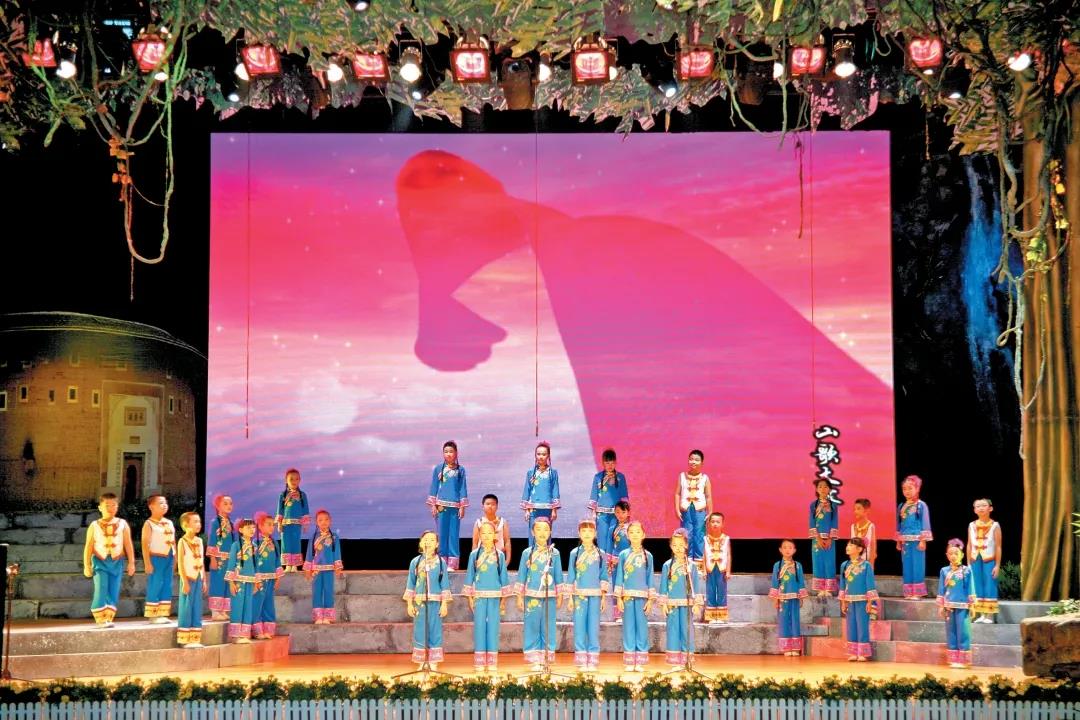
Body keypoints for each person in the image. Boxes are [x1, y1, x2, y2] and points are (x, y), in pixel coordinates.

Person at [515, 517, 565, 670]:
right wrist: (519, 596)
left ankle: (546, 658)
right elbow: (522, 575)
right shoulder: (527, 553)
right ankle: (534, 659)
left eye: (545, 529)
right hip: (531, 596)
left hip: (550, 596)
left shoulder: (554, 553)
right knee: (532, 626)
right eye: (538, 529)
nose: (542, 533)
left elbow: (558, 575)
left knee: (548, 626)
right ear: (533, 532)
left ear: (550, 532)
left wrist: (560, 595)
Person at [462, 520, 510, 672]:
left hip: (495, 597)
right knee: (480, 627)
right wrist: (470, 598)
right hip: (479, 597)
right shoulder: (474, 555)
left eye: (490, 533)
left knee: (493, 627)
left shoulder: (499, 555)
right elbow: (469, 576)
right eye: (483, 533)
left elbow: (503, 578)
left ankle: (492, 661)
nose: (487, 535)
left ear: (495, 535)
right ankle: (480, 661)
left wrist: (503, 601)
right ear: (479, 535)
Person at [82, 492, 136, 627]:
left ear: (117, 507)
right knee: (101, 588)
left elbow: (128, 544)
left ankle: (108, 618)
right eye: (107, 505)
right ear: (100, 507)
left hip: (117, 561)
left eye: (114, 505)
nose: (111, 508)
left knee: (113, 589)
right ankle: (100, 619)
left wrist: (131, 563)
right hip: (99, 561)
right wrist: (87, 565)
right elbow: (89, 546)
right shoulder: (94, 525)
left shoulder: (122, 524)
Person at [565, 517, 609, 671]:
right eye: (584, 531)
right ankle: (581, 659)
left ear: (595, 533)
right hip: (579, 595)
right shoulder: (574, 553)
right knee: (579, 627)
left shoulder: (601, 554)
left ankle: (593, 659)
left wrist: (603, 597)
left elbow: (604, 576)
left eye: (590, 531)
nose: (587, 534)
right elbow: (571, 576)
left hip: (596, 596)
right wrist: (570, 598)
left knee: (593, 627)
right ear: (579, 533)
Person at [404, 530, 451, 669]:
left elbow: (445, 584)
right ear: (421, 543)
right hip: (419, 603)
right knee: (420, 630)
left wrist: (444, 604)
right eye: (425, 540)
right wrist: (409, 604)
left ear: (437, 544)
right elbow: (411, 583)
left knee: (435, 630)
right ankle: (421, 661)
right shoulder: (415, 562)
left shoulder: (441, 562)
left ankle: (433, 661)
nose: (428, 542)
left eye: (431, 540)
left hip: (435, 602)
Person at [659, 528, 704, 667]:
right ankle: (674, 660)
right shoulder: (667, 565)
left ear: (686, 545)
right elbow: (663, 586)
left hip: (687, 604)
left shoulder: (691, 566)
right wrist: (663, 604)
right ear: (670, 546)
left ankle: (687, 659)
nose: (678, 548)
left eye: (681, 545)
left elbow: (695, 585)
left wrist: (697, 604)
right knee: (673, 631)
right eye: (674, 545)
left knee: (686, 630)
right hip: (672, 604)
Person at [614, 520, 655, 672]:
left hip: (642, 598)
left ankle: (641, 661)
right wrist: (618, 598)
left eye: (638, 532)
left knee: (641, 628)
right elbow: (619, 576)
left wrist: (650, 600)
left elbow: (650, 577)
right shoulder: (623, 555)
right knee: (628, 628)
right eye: (632, 532)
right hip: (627, 598)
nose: (635, 535)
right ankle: (630, 660)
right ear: (627, 535)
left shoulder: (648, 556)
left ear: (643, 535)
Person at [427, 441, 469, 570]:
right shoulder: (438, 469)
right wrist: (433, 505)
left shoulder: (460, 470)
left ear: (456, 453)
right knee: (442, 534)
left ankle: (453, 563)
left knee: (453, 535)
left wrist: (462, 507)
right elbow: (434, 487)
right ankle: (442, 562)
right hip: (440, 506)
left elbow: (462, 488)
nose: (448, 454)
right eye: (446, 452)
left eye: (451, 451)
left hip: (455, 507)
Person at [937, 539, 976, 668]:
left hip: (963, 606)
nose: (953, 556)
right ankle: (953, 659)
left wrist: (972, 606)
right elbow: (941, 589)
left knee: (963, 631)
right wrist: (941, 606)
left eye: (956, 553)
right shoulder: (944, 571)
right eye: (951, 553)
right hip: (949, 606)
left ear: (962, 555)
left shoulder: (967, 571)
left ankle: (963, 660)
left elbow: (970, 588)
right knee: (951, 632)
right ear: (947, 555)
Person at [839, 537, 879, 662]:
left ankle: (863, 653)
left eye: (851, 545)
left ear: (859, 549)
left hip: (863, 600)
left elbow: (870, 584)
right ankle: (853, 652)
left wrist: (870, 602)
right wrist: (843, 602)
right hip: (849, 600)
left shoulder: (866, 565)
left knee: (862, 626)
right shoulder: (844, 565)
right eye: (848, 545)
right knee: (851, 626)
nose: (848, 547)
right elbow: (842, 584)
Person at [896, 475, 933, 599]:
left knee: (917, 565)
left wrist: (923, 540)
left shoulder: (921, 505)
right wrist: (898, 540)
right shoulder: (901, 506)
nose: (907, 491)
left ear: (917, 489)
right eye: (904, 489)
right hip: (905, 541)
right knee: (907, 565)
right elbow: (899, 524)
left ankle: (917, 592)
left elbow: (925, 523)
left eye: (910, 488)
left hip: (917, 540)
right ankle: (908, 591)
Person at [769, 539, 808, 656]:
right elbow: (775, 582)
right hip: (782, 598)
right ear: (780, 550)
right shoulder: (777, 565)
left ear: (794, 550)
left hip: (795, 597)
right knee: (784, 621)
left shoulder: (798, 565)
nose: (787, 550)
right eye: (785, 547)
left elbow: (801, 581)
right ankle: (786, 648)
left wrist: (801, 597)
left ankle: (795, 647)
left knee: (795, 620)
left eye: (790, 547)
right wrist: (775, 599)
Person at [304, 509, 344, 623]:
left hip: (329, 569)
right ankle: (318, 617)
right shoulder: (313, 537)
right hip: (316, 570)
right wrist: (307, 569)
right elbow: (309, 553)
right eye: (320, 520)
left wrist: (338, 567)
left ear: (330, 521)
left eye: (326, 519)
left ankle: (327, 617)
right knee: (317, 592)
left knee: (328, 591)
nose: (324, 522)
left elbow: (337, 552)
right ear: (316, 522)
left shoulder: (334, 537)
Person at [589, 448, 628, 561]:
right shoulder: (598, 477)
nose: (610, 465)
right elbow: (594, 495)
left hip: (616, 515)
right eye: (607, 463)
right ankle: (602, 564)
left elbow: (624, 495)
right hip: (601, 515)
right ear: (603, 463)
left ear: (615, 462)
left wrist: (624, 514)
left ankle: (612, 564)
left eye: (612, 463)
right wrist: (593, 514)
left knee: (613, 539)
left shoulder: (620, 477)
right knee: (602, 538)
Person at [225, 518, 260, 643]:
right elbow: (231, 564)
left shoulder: (254, 546)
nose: (252, 530)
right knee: (238, 606)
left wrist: (256, 582)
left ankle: (244, 634)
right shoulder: (235, 545)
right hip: (238, 581)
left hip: (250, 581)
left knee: (248, 607)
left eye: (253, 527)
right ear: (240, 530)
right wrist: (231, 583)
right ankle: (235, 636)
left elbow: (256, 565)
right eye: (248, 527)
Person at [142, 495, 176, 623]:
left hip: (169, 557)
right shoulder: (149, 523)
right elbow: (145, 544)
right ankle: (153, 614)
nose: (164, 505)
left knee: (167, 584)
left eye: (165, 502)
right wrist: (147, 563)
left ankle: (162, 613)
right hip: (156, 558)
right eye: (161, 503)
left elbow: (173, 542)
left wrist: (175, 559)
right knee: (155, 584)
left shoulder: (169, 522)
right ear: (151, 507)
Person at [968, 498, 1002, 624]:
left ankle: (989, 615)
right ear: (974, 510)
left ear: (990, 508)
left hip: (989, 559)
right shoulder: (971, 525)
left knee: (990, 585)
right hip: (975, 559)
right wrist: (968, 563)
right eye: (978, 506)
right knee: (977, 585)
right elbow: (969, 544)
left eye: (984, 505)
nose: (981, 508)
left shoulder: (995, 525)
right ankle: (981, 614)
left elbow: (998, 546)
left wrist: (997, 565)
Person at [176, 511, 207, 648]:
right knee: (186, 607)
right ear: (185, 525)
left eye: (199, 521)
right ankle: (184, 639)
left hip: (198, 577)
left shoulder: (199, 541)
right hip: (188, 578)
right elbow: (181, 563)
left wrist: (204, 579)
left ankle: (195, 638)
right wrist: (184, 581)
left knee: (197, 607)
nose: (198, 524)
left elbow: (201, 561)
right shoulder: (182, 542)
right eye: (195, 521)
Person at [674, 450, 712, 561]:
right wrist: (677, 509)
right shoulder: (682, 476)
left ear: (702, 463)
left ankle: (699, 560)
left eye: (696, 460)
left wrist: (710, 512)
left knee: (699, 534)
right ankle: (688, 559)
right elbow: (677, 493)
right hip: (686, 510)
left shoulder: (705, 478)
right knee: (687, 534)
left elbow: (708, 496)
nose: (693, 462)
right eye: (691, 459)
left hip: (700, 511)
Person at [521, 441, 561, 543]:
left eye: (544, 454)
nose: (541, 457)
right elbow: (527, 490)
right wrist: (526, 510)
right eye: (538, 454)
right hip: (533, 509)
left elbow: (555, 490)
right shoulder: (530, 473)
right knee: (533, 536)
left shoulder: (553, 473)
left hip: (547, 509)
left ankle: (546, 554)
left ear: (548, 456)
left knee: (546, 536)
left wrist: (554, 510)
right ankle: (532, 553)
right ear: (535, 455)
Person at [207, 494, 238, 620]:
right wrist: (212, 558)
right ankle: (215, 611)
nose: (229, 506)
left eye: (230, 503)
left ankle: (224, 610)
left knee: (227, 583)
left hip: (229, 559)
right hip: (218, 559)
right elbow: (212, 540)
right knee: (218, 583)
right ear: (217, 506)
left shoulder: (231, 523)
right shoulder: (215, 522)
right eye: (225, 503)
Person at [253, 512, 283, 638]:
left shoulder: (274, 542)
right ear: (260, 526)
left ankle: (268, 629)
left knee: (269, 603)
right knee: (257, 603)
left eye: (273, 525)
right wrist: (256, 579)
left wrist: (278, 577)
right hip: (260, 579)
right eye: (269, 524)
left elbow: (277, 561)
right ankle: (257, 630)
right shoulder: (255, 542)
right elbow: (253, 561)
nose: (272, 527)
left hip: (271, 578)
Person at [275, 468, 310, 572]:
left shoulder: (302, 495)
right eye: (291, 479)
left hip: (297, 524)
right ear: (286, 480)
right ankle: (287, 565)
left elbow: (305, 510)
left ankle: (294, 565)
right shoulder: (283, 495)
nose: (294, 481)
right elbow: (280, 510)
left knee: (295, 543)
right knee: (285, 543)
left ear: (300, 480)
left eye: (296, 479)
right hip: (285, 524)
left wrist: (305, 524)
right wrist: (279, 523)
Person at [809, 479, 839, 597]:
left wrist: (830, 538)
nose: (823, 489)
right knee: (818, 562)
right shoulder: (813, 505)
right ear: (817, 489)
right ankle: (820, 589)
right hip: (817, 540)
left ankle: (829, 589)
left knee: (829, 562)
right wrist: (818, 538)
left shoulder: (833, 505)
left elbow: (834, 522)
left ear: (829, 489)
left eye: (825, 486)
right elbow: (812, 522)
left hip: (830, 540)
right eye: (820, 486)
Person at [703, 512, 732, 624]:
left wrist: (728, 571)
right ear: (709, 524)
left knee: (721, 591)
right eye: (713, 521)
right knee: (710, 591)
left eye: (718, 522)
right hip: (710, 568)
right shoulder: (705, 539)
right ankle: (711, 616)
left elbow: (728, 555)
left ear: (722, 524)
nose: (715, 524)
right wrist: (704, 570)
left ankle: (721, 616)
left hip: (722, 569)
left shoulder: (726, 538)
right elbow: (704, 555)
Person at [471, 494, 512, 567]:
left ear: (497, 506)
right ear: (483, 506)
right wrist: (474, 560)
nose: (490, 506)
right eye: (487, 504)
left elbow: (507, 542)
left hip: (498, 559)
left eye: (493, 504)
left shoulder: (503, 522)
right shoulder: (478, 522)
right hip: (482, 559)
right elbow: (475, 543)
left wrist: (507, 561)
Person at [850, 498, 877, 568]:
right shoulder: (853, 526)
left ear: (866, 510)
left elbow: (873, 548)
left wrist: (871, 567)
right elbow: (851, 548)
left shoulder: (871, 526)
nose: (855, 511)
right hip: (855, 564)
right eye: (854, 509)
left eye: (858, 509)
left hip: (866, 564)